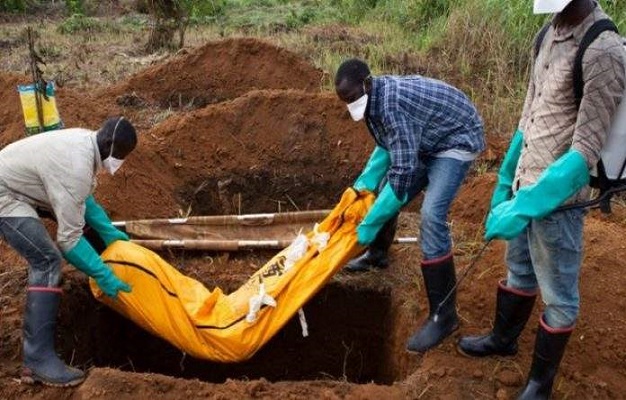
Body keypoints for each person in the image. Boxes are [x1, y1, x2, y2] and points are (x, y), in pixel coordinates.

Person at [458, 0, 625, 398]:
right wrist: (505, 181)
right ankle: (504, 339)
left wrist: (526, 205)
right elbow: (528, 115)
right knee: (519, 268)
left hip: (558, 201)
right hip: (524, 180)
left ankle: (539, 385)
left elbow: (585, 152)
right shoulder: (547, 32)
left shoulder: (603, 50)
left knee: (560, 296)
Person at [334, 59, 486, 353]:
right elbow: (386, 149)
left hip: (456, 138)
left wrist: (369, 223)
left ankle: (444, 316)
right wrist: (361, 188)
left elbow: (402, 175)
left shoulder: (391, 106)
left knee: (431, 215)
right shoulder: (373, 102)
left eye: (352, 98)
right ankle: (377, 255)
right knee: (379, 191)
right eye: (345, 101)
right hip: (426, 137)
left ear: (367, 83)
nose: (351, 105)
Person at [0, 116, 138, 387]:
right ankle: (37, 360)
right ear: (109, 143)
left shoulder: (86, 144)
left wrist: (108, 232)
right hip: (4, 194)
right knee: (47, 260)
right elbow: (69, 240)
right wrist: (102, 274)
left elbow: (83, 198)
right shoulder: (76, 164)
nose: (120, 162)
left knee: (79, 227)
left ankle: (38, 359)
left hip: (18, 183)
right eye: (120, 155)